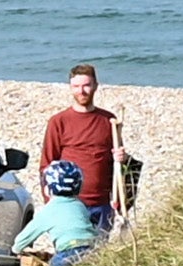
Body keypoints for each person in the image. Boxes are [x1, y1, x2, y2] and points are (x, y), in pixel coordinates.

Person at [37, 66, 129, 232]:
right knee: (72, 252)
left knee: (100, 254)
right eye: (76, 87)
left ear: (95, 86)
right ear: (70, 88)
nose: (82, 91)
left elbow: (119, 162)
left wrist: (122, 157)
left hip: (102, 204)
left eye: (86, 85)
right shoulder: (59, 121)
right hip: (69, 204)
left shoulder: (108, 120)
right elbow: (47, 165)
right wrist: (49, 201)